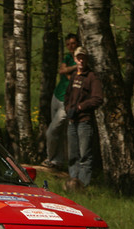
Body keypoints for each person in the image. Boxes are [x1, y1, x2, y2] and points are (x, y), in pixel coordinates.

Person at [64, 46, 102, 187]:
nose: (80, 60)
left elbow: (98, 98)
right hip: (72, 121)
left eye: (83, 57)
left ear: (86, 59)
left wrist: (81, 107)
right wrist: (68, 108)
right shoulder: (74, 76)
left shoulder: (92, 77)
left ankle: (83, 185)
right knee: (73, 155)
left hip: (85, 121)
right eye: (78, 57)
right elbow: (67, 95)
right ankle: (73, 184)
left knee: (85, 155)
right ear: (74, 59)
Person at [42, 33, 79, 170]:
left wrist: (70, 70)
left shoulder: (81, 60)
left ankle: (49, 158)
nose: (70, 46)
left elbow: (72, 78)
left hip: (67, 101)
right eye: (68, 44)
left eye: (73, 43)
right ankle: (57, 161)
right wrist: (71, 69)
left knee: (53, 130)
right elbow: (61, 70)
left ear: (78, 43)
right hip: (57, 95)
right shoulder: (69, 57)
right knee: (57, 131)